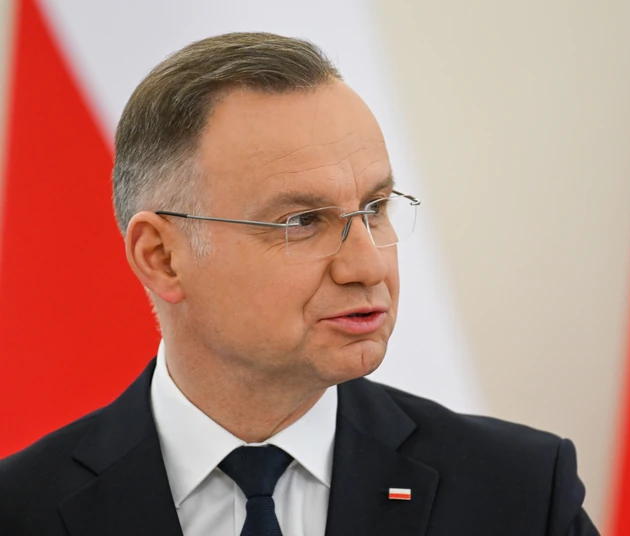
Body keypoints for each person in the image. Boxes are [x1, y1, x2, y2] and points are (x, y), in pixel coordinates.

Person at [0, 32, 599, 536]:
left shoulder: (519, 493)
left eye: (375, 208)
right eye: (302, 221)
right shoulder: (20, 510)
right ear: (162, 258)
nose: (368, 267)